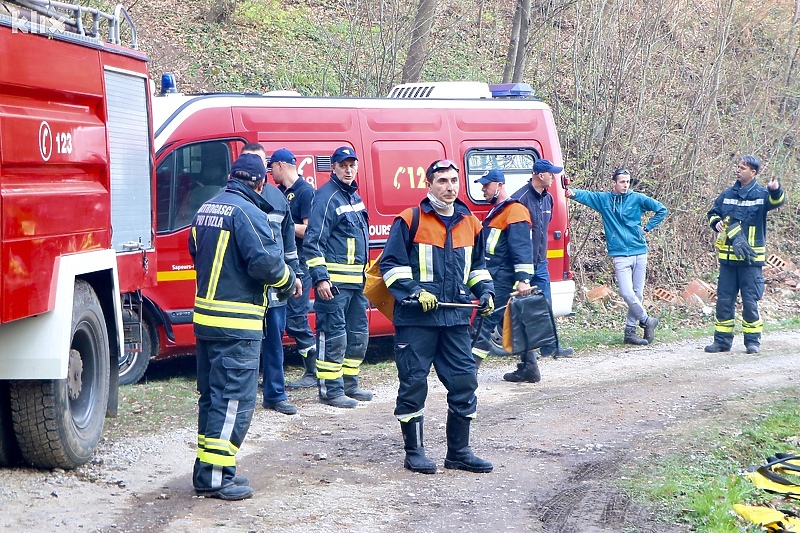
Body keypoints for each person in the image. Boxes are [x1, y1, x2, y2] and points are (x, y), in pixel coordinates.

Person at [189, 153, 296, 501]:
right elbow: (266, 263)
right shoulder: (248, 212)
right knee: (234, 400)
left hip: (206, 322)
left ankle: (206, 472)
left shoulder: (206, 208)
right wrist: (288, 280)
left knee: (212, 398)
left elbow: (195, 251)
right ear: (260, 183)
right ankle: (218, 478)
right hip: (237, 325)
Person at [380, 159, 495, 475]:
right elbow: (391, 266)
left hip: (455, 319)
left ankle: (458, 452)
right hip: (417, 321)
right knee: (414, 383)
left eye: (454, 181)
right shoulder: (409, 220)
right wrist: (415, 291)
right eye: (442, 181)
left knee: (464, 381)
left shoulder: (471, 222)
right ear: (428, 184)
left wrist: (485, 291)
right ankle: (414, 452)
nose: (450, 187)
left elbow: (477, 268)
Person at [303, 146, 372, 408]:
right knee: (333, 336)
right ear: (333, 167)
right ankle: (330, 390)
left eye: (352, 165)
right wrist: (321, 278)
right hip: (333, 285)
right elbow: (313, 242)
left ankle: (350, 384)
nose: (348, 169)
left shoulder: (353, 197)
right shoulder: (326, 197)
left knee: (357, 336)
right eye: (343, 165)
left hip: (357, 284)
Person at [566, 168, 668, 345]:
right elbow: (587, 196)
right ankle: (646, 320)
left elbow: (661, 209)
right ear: (614, 183)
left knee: (637, 294)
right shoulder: (604, 200)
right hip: (620, 253)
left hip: (640, 251)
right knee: (626, 293)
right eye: (622, 182)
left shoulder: (637, 198)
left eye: (628, 182)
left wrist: (647, 228)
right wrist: (572, 193)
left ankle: (630, 332)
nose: (625, 185)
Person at [241, 144, 303, 416]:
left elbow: (288, 243)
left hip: (276, 289)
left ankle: (275, 395)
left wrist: (296, 274)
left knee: (275, 342)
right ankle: (242, 397)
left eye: (261, 163)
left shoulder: (278, 199)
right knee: (243, 345)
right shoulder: (235, 198)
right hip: (244, 290)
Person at [705, 155, 785, 354]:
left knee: (750, 300)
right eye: (738, 167)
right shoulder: (727, 194)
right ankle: (722, 341)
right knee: (724, 300)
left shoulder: (762, 194)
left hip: (751, 261)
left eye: (743, 168)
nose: (738, 170)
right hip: (728, 259)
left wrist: (775, 190)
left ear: (753, 172)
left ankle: (752, 342)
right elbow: (713, 213)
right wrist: (716, 222)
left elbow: (777, 201)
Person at [470, 169, 540, 383]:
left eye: (486, 185)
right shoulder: (499, 212)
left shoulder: (514, 211)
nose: (482, 189)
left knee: (484, 323)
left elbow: (521, 248)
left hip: (502, 279)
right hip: (496, 276)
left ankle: (467, 372)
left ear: (498, 185)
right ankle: (529, 368)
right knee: (514, 323)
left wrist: (523, 279)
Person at [511, 159, 574, 358]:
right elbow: (514, 236)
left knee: (545, 305)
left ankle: (551, 348)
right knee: (526, 308)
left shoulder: (548, 199)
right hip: (523, 264)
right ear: (540, 175)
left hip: (541, 262)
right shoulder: (519, 199)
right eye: (551, 174)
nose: (553, 178)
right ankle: (528, 352)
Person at [269, 148, 318, 389]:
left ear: (280, 166)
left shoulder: (305, 191)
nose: (270, 174)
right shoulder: (280, 193)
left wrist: (284, 226)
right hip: (284, 264)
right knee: (282, 317)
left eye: (271, 168)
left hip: (303, 264)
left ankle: (314, 370)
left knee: (297, 317)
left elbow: (310, 230)